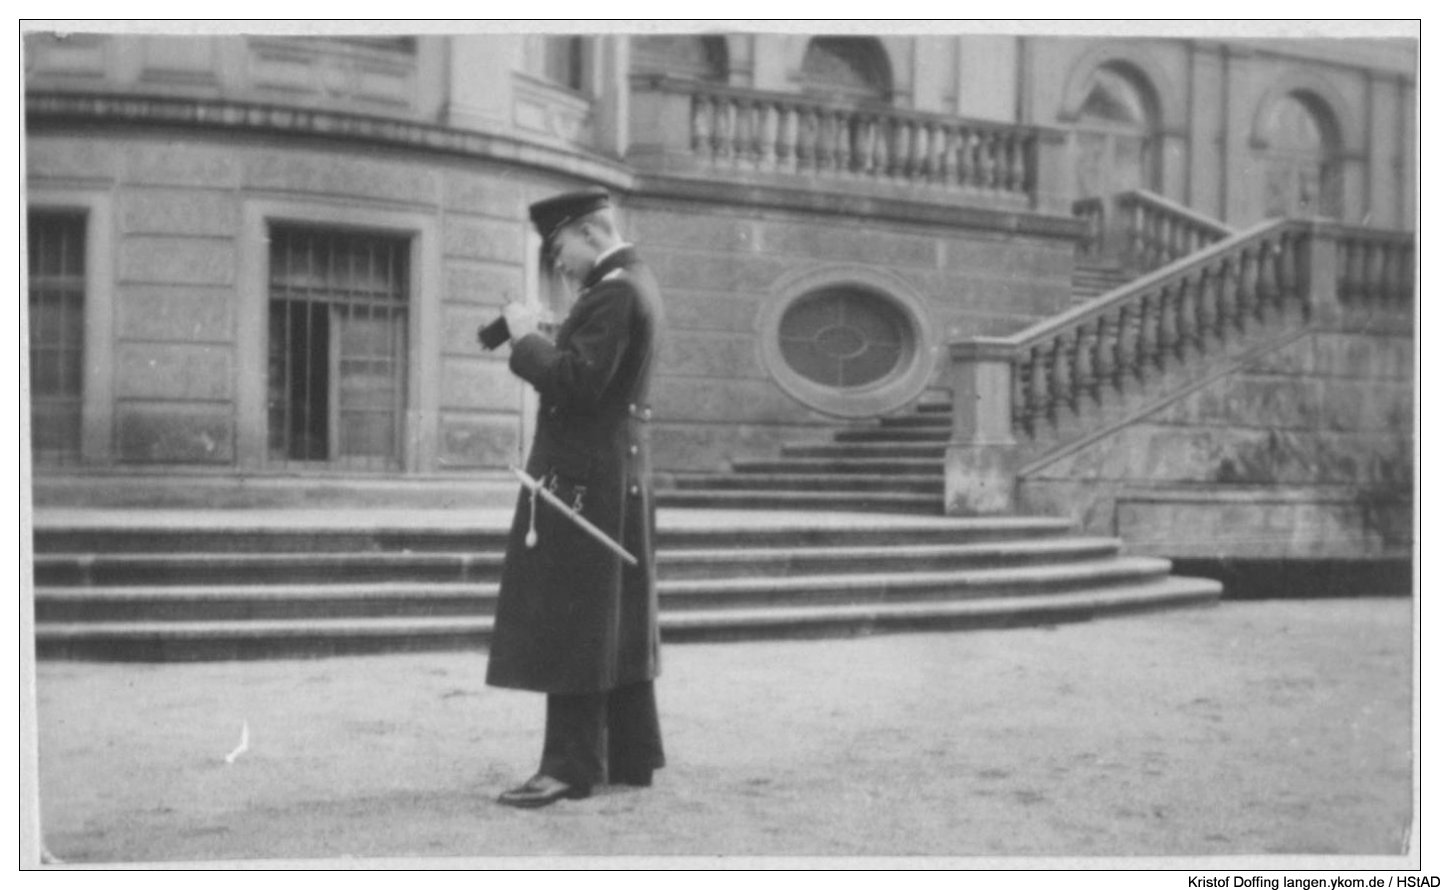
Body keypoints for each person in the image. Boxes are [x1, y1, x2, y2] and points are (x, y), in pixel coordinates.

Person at [486, 186, 667, 809]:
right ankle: (629, 754)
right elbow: (603, 372)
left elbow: (579, 384)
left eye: (559, 247)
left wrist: (526, 341)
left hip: (583, 478)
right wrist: (549, 333)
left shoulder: (613, 292)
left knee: (574, 621)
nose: (557, 262)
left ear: (590, 231)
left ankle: (568, 768)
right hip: (614, 472)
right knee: (614, 616)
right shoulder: (634, 280)